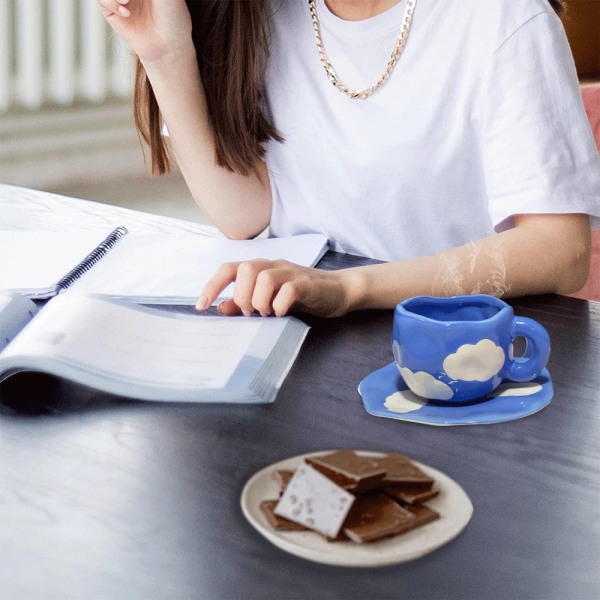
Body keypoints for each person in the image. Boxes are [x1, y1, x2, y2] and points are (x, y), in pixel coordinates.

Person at [98, 0, 600, 318]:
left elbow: (561, 251)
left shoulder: (502, 18)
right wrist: (164, 54)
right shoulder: (257, 15)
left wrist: (349, 288)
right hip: (298, 339)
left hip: (454, 354)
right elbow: (246, 215)